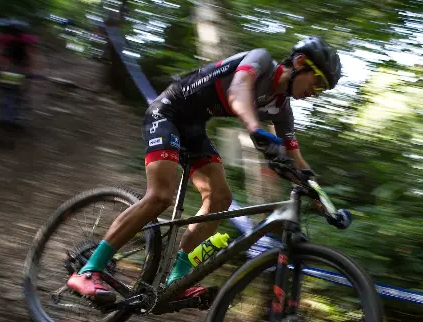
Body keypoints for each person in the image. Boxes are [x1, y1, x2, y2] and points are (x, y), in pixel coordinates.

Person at [67, 36, 342, 304]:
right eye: (317, 82)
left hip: (194, 127)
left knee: (220, 199)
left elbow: (297, 158)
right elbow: (238, 90)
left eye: (322, 89)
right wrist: (255, 128)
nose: (315, 92)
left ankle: (176, 277)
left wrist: (323, 199)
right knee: (161, 195)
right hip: (167, 113)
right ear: (300, 62)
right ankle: (89, 270)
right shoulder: (261, 61)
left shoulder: (281, 109)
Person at [0, 25, 44, 101]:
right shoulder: (26, 39)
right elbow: (35, 55)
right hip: (15, 66)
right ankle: (21, 95)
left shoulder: (3, 37)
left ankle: (5, 93)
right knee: (23, 80)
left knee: (1, 77)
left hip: (15, 65)